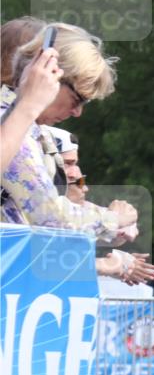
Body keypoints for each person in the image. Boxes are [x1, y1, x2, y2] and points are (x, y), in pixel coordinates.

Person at [1, 22, 136, 234]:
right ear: (48, 72)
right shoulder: (14, 125)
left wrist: (108, 227)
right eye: (77, 99)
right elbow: (51, 216)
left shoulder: (32, 128)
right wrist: (113, 219)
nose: (78, 112)